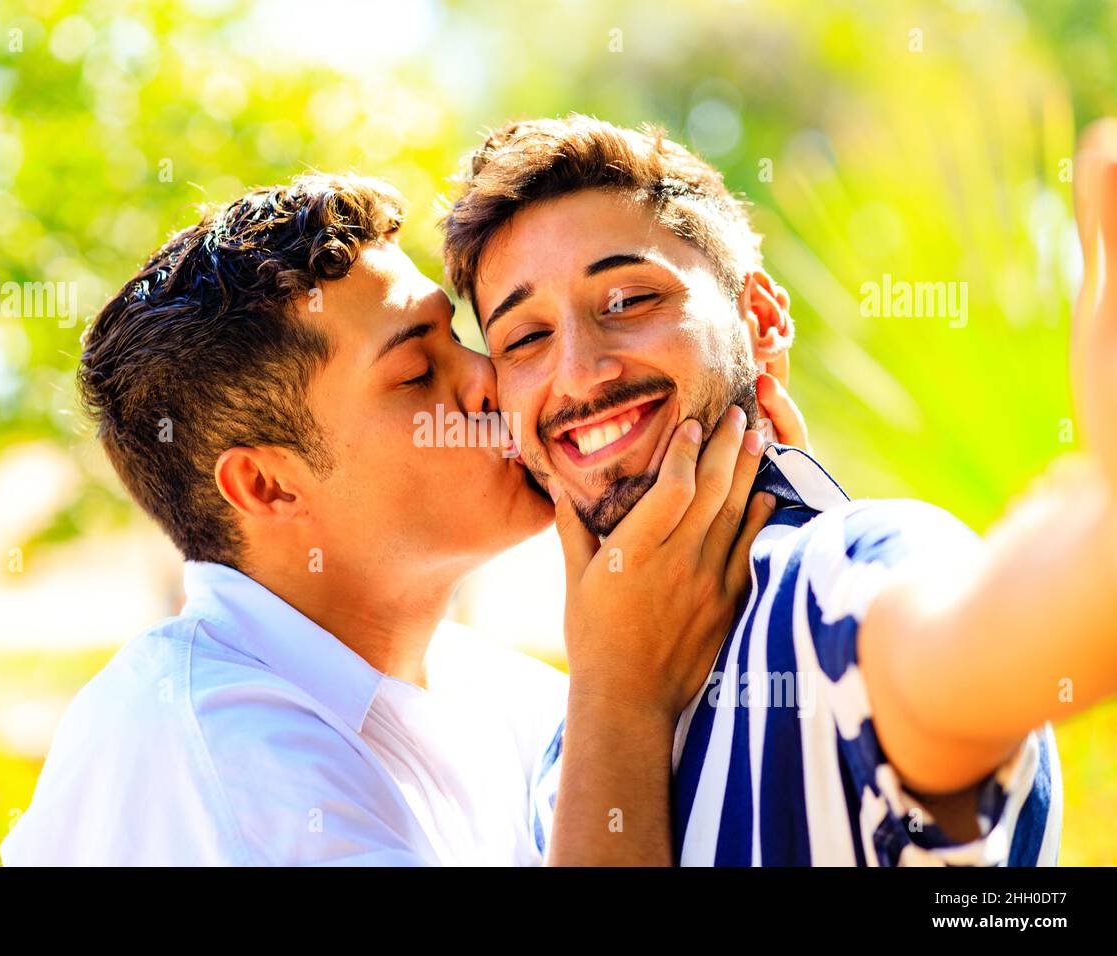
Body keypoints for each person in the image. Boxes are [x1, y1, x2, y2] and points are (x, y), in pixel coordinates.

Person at [0, 173, 806, 865]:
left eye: (458, 336)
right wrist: (621, 699)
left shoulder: (502, 699)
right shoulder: (216, 759)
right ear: (269, 487)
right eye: (419, 371)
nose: (494, 379)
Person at [440, 113, 1117, 865]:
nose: (576, 371)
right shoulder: (560, 751)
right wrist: (611, 696)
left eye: (630, 300)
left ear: (759, 320)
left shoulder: (844, 577)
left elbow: (996, 636)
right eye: (525, 339)